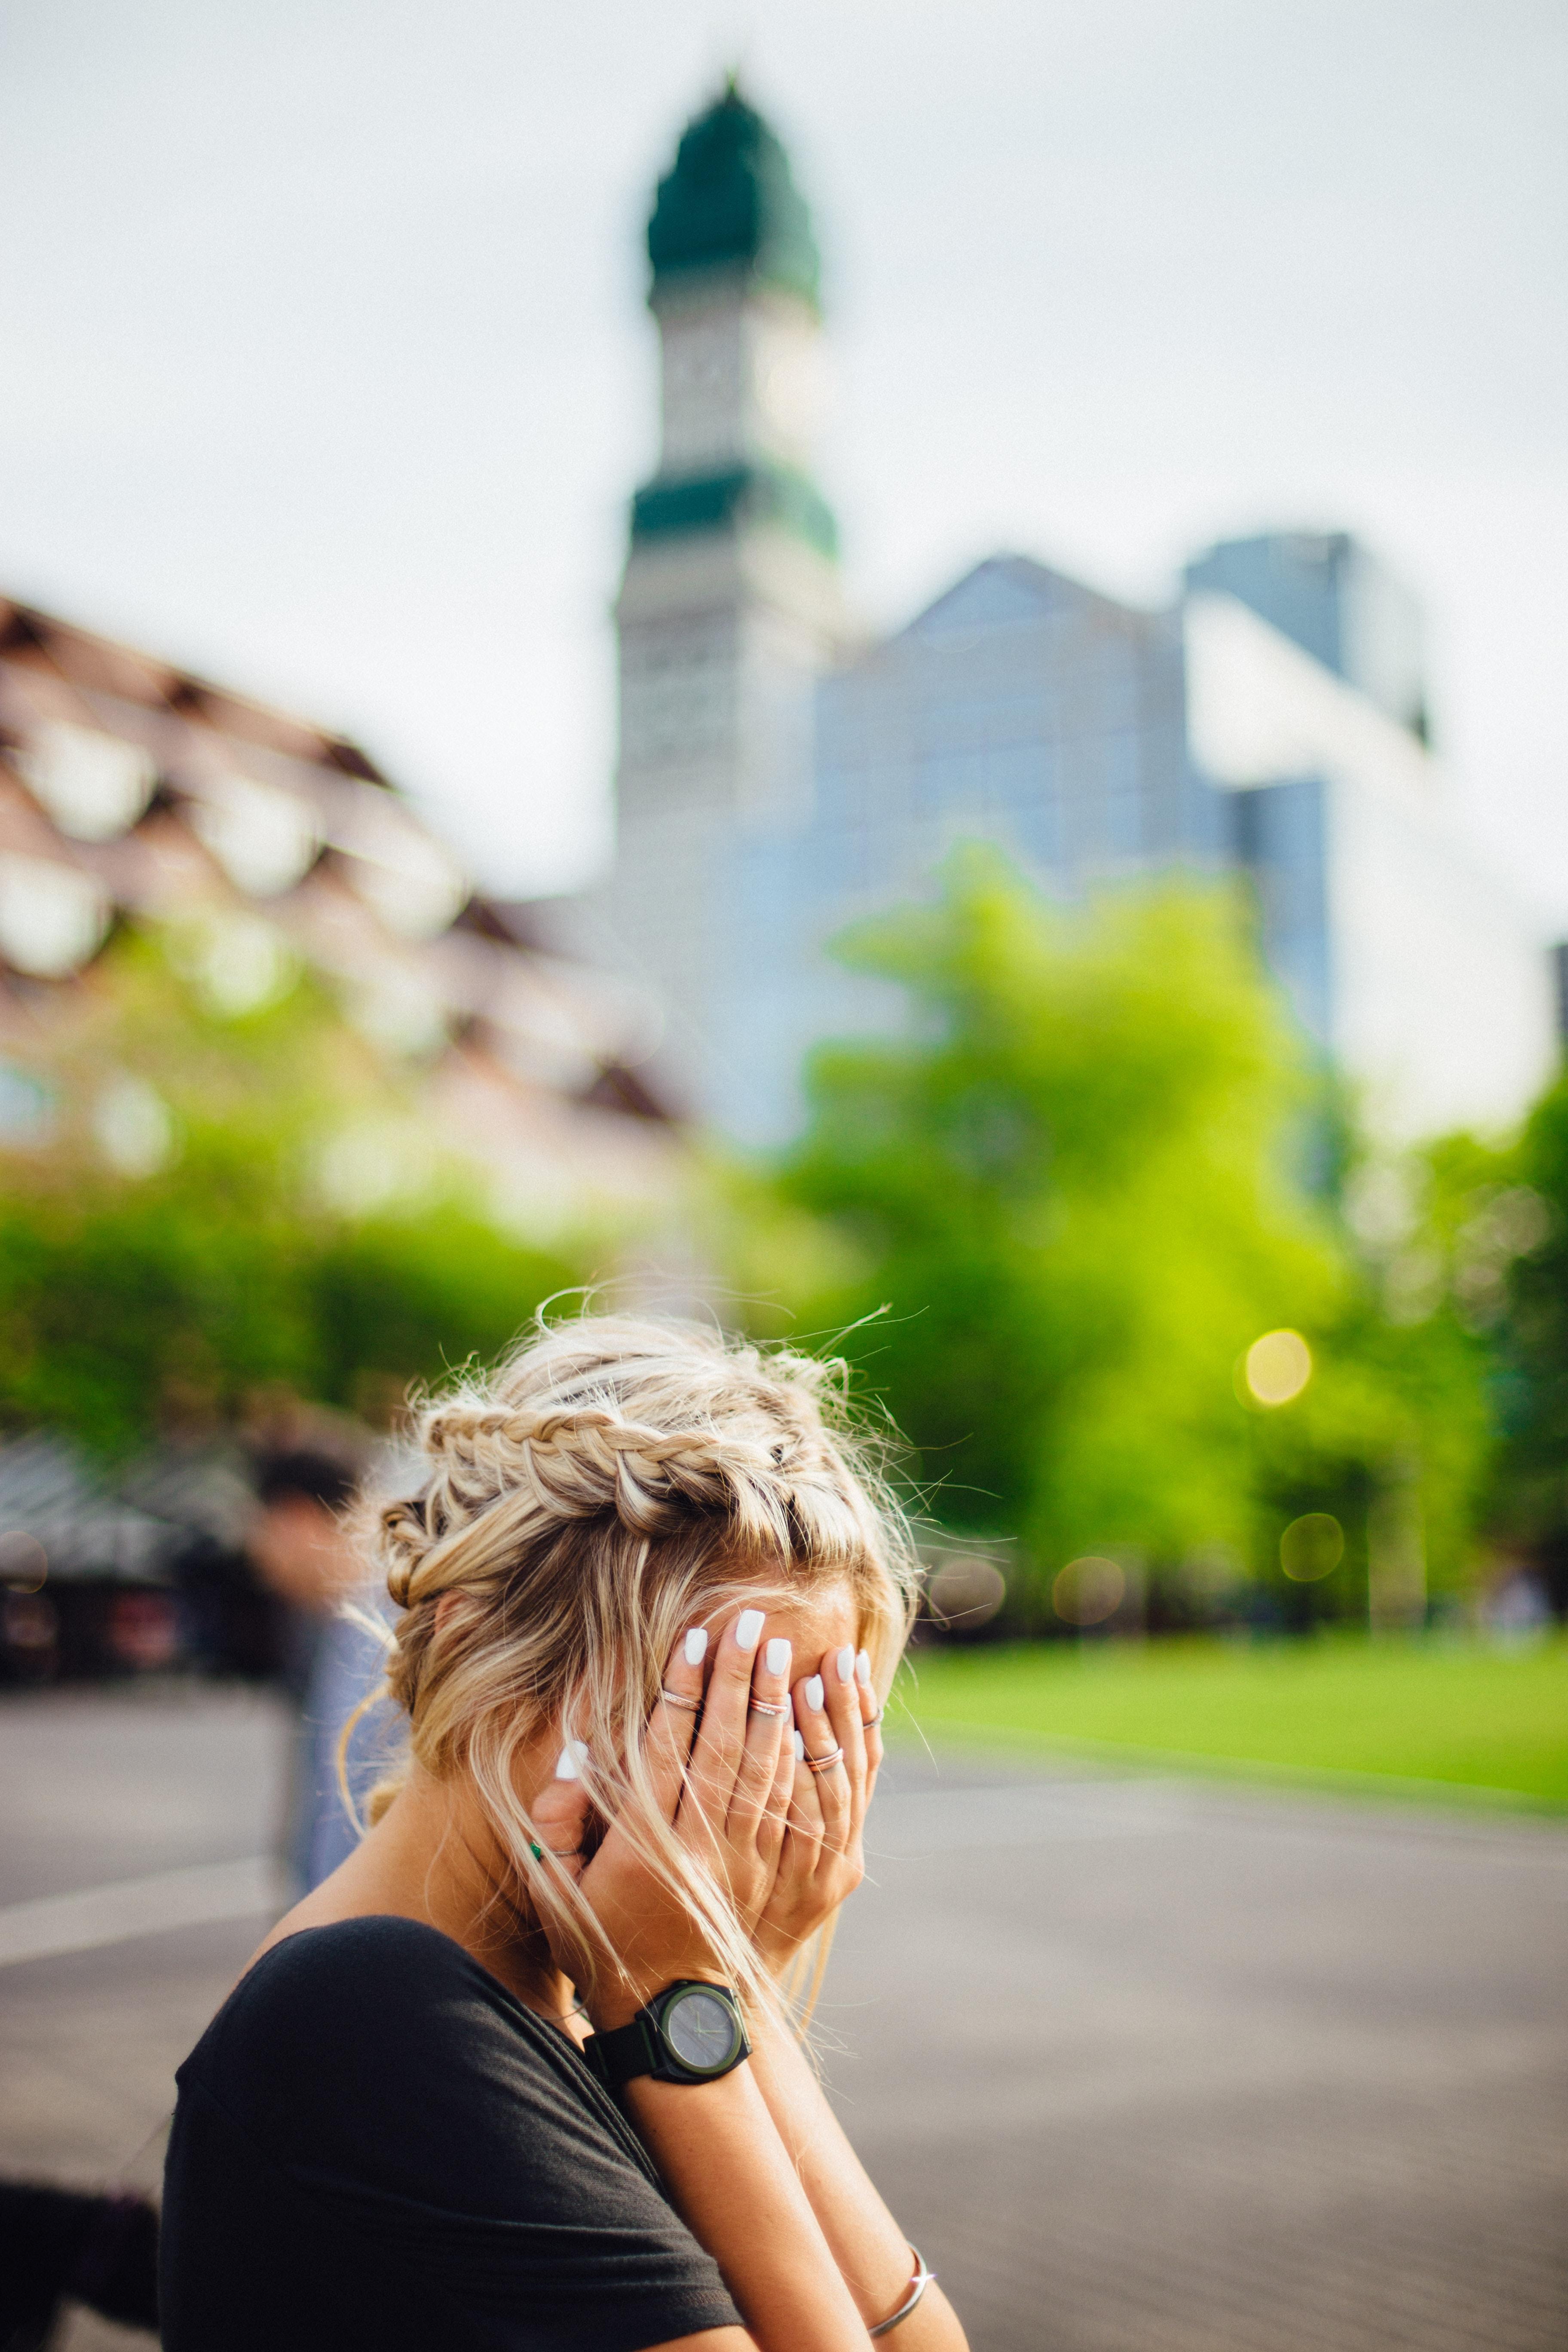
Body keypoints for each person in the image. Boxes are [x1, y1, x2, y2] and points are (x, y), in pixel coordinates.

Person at [161, 1314, 968, 2352]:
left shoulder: (591, 1981)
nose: (762, 1795)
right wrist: (679, 2012)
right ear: (481, 1647)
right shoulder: (371, 2012)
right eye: (712, 1714)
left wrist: (731, 1993)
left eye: (809, 1724)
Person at [247, 1442, 388, 1891]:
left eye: (260, 1525)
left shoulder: (377, 1643)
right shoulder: (336, 1628)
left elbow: (350, 1821)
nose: (256, 1550)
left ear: (296, 1517)